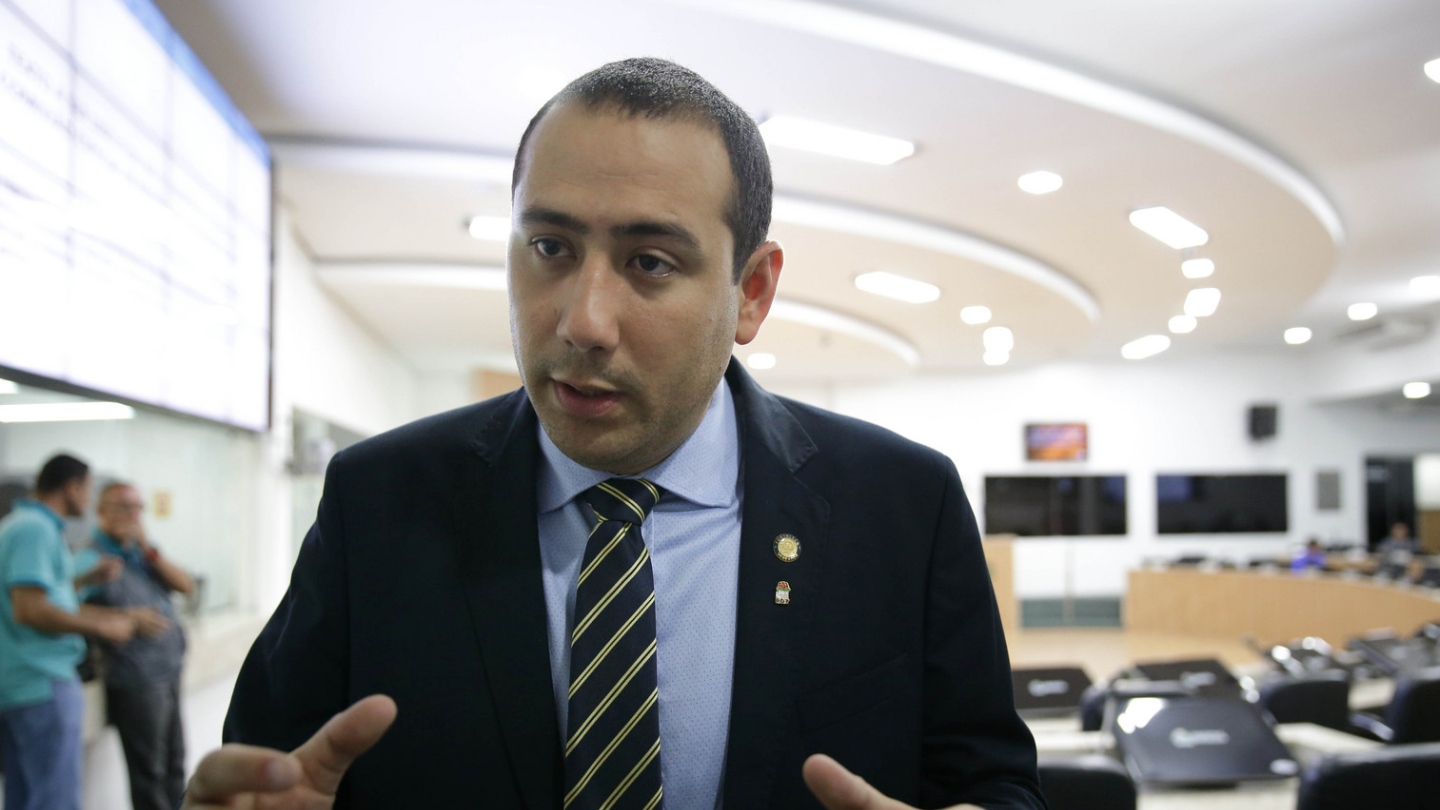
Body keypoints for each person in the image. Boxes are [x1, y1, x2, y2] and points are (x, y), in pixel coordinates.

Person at [187, 59, 1044, 810]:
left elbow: (994, 781)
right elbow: (275, 769)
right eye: (550, 248)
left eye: (650, 263)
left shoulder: (902, 508)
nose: (584, 322)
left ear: (751, 292)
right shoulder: (378, 502)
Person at [0, 454, 167, 810]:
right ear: (72, 488)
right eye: (88, 490)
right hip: (41, 682)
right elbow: (29, 608)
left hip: (22, 683)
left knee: (26, 796)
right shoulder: (34, 529)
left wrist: (85, 580)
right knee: (54, 800)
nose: (88, 501)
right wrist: (104, 624)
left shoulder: (24, 525)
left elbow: (43, 598)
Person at [80, 482, 194, 810]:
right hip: (136, 679)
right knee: (150, 774)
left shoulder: (142, 553)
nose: (131, 515)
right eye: (122, 507)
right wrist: (127, 617)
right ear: (101, 511)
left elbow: (185, 585)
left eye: (136, 508)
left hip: (168, 670)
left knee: (175, 763)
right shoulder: (90, 558)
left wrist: (149, 550)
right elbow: (69, 608)